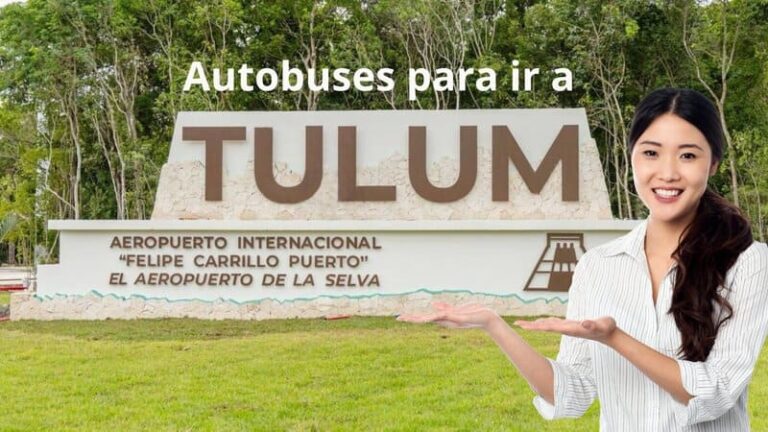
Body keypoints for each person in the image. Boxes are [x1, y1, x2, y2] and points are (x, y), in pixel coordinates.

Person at [397, 88, 768, 431]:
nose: (667, 173)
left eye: (688, 155)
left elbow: (717, 391)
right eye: (651, 153)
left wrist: (615, 338)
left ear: (714, 163)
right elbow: (571, 394)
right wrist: (495, 326)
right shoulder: (599, 266)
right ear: (631, 158)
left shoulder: (748, 262)